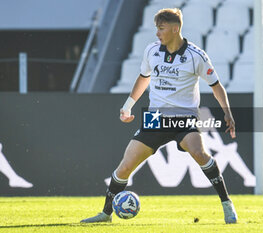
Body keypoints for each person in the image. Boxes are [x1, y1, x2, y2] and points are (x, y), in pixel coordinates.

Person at [81, 8, 238, 224]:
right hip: (155, 118)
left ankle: (227, 205)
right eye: (157, 28)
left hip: (185, 117)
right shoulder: (151, 51)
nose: (157, 33)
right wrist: (128, 106)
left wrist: (227, 113)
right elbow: (143, 78)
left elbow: (216, 86)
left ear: (175, 29)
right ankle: (106, 214)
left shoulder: (196, 56)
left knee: (199, 153)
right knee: (126, 166)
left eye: (161, 28)